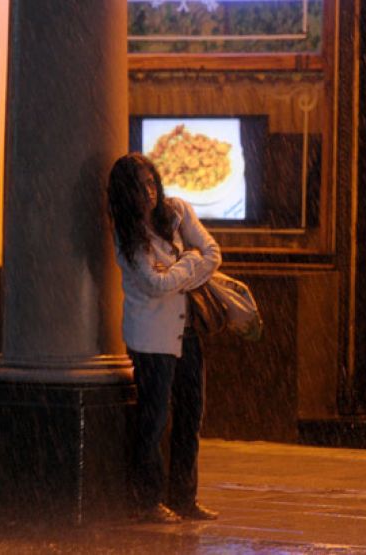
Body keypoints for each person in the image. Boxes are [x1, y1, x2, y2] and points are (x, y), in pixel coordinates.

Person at [107, 153, 222, 523]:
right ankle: (147, 500)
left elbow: (213, 253)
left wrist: (177, 268)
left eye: (152, 182)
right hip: (152, 339)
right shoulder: (127, 236)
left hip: (187, 331)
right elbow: (155, 284)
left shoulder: (175, 214)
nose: (150, 193)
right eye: (140, 187)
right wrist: (189, 263)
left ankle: (184, 498)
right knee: (154, 419)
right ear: (126, 194)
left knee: (191, 416)